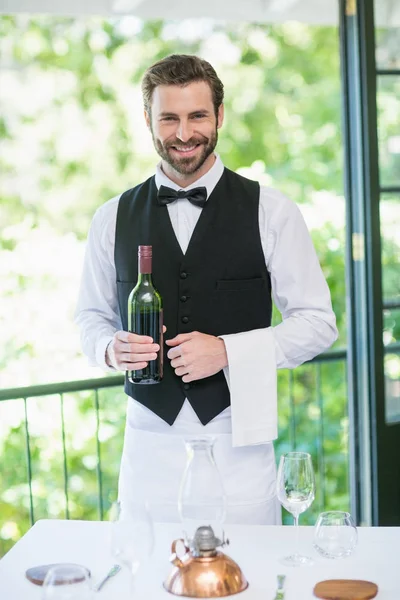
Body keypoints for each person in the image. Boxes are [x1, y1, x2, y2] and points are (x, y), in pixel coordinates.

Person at [75, 54, 338, 525]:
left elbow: (319, 325)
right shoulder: (110, 217)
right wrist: (109, 349)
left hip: (239, 447)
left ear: (219, 115)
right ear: (147, 120)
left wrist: (228, 351)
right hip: (148, 454)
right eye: (169, 118)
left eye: (197, 116)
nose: (183, 134)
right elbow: (89, 319)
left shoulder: (272, 212)